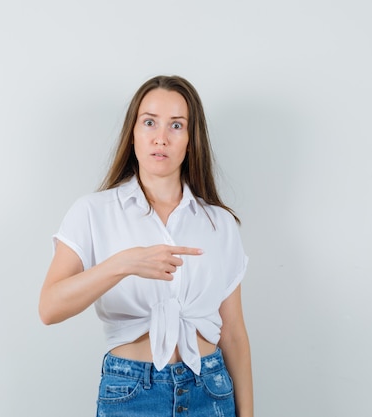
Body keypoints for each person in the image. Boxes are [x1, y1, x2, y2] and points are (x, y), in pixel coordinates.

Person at [39, 75, 253, 417]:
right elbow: (49, 308)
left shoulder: (218, 223)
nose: (161, 138)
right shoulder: (93, 211)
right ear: (133, 133)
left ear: (190, 139)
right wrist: (122, 264)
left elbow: (235, 335)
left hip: (210, 391)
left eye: (177, 126)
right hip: (132, 392)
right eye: (150, 122)